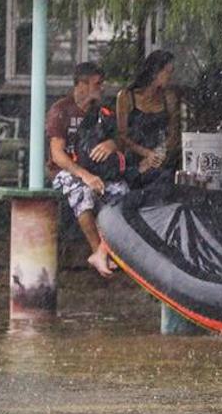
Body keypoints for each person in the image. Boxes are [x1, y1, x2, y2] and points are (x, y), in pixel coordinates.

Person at [46, 62, 128, 277]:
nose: (102, 88)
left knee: (122, 193)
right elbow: (57, 154)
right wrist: (85, 175)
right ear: (81, 85)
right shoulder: (61, 110)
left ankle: (105, 250)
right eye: (97, 84)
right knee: (82, 192)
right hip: (65, 171)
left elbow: (120, 139)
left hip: (97, 171)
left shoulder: (103, 111)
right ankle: (97, 251)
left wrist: (112, 144)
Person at [116, 49, 181, 187]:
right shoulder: (127, 97)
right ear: (155, 72)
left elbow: (174, 131)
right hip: (135, 159)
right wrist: (146, 154)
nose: (170, 76)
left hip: (160, 157)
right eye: (167, 72)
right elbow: (122, 135)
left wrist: (157, 155)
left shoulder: (168, 97)